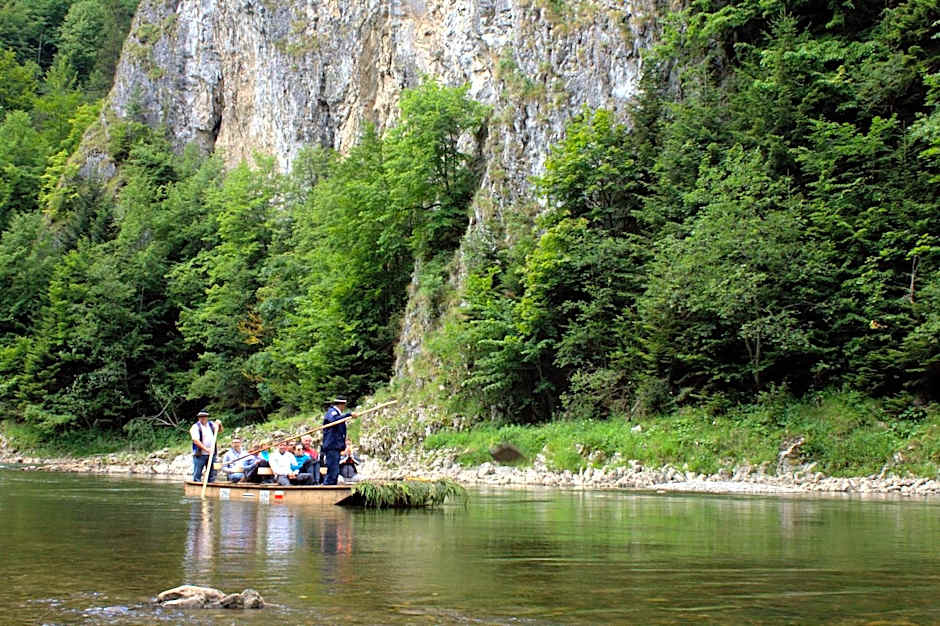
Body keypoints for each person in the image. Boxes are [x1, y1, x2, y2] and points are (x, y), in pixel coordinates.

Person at [322, 396, 357, 485]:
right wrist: (348, 415)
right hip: (331, 446)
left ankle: (331, 486)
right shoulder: (332, 412)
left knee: (335, 470)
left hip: (336, 446)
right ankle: (327, 487)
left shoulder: (338, 414)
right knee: (333, 470)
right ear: (341, 404)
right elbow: (334, 420)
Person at [190, 409, 222, 482]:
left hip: (212, 454)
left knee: (212, 473)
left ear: (207, 417)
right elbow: (196, 441)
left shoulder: (211, 424)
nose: (203, 418)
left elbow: (220, 430)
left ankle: (210, 485)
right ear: (199, 417)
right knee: (197, 473)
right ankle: (197, 485)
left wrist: (219, 425)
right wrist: (206, 449)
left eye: (205, 416)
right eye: (201, 416)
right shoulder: (195, 427)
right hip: (199, 454)